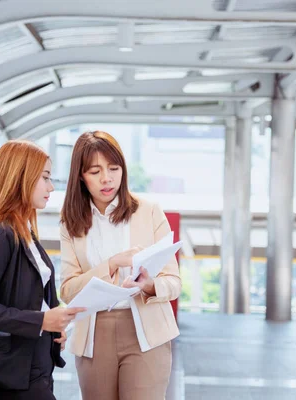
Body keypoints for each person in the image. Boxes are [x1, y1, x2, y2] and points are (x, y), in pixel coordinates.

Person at [0, 140, 86, 400]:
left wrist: (53, 322)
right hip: (13, 368)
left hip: (35, 360)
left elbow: (32, 292)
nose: (51, 186)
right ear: (20, 178)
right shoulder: (1, 235)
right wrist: (41, 321)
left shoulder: (24, 232)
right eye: (45, 177)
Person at [60, 131, 181, 400]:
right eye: (95, 171)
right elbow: (68, 291)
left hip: (145, 331)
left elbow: (174, 282)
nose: (107, 178)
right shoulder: (71, 222)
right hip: (94, 334)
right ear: (81, 175)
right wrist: (112, 264)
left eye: (114, 168)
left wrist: (149, 286)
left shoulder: (148, 211)